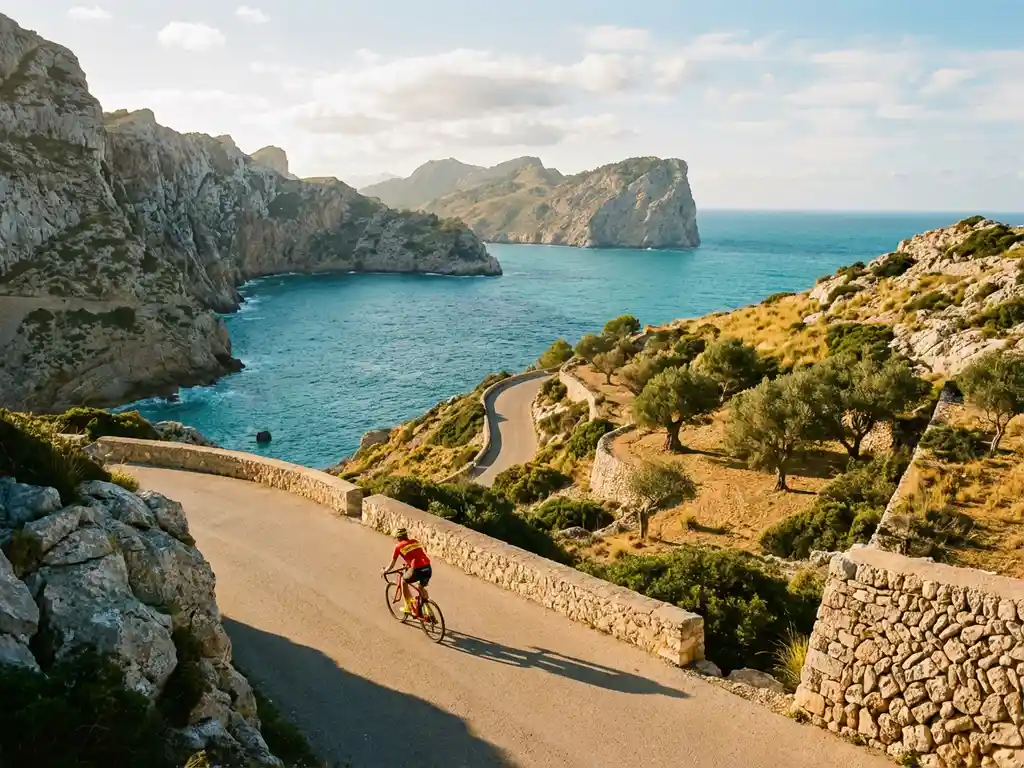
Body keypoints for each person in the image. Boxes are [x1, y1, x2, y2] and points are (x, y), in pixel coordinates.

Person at [383, 527, 432, 615]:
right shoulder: (415, 541)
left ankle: (409, 607)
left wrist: (385, 571)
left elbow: (392, 565)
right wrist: (409, 565)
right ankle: (428, 609)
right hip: (428, 567)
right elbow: (416, 555)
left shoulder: (398, 547)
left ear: (398, 538)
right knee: (421, 587)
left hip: (417, 569)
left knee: (404, 582)